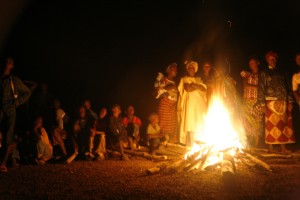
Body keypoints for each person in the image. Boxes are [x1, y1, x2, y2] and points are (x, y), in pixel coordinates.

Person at [257, 51, 295, 153]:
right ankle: (271, 149)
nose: (272, 60)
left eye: (274, 58)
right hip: (270, 102)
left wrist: (290, 101)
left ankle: (283, 148)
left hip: (283, 100)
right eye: (270, 58)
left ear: (276, 59)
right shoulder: (264, 73)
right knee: (270, 126)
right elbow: (260, 89)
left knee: (283, 124)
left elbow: (289, 87)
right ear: (267, 60)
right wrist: (261, 104)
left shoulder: (283, 72)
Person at [0, 58, 31, 172]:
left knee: (8, 137)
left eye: (10, 61)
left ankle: (3, 163)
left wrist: (16, 103)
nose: (7, 62)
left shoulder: (14, 80)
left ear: (12, 66)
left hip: (10, 112)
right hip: (1, 111)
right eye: (6, 60)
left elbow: (27, 92)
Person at [177, 60, 207, 146]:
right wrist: (197, 86)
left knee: (198, 123)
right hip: (189, 104)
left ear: (195, 69)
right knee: (189, 123)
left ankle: (199, 146)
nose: (191, 69)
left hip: (199, 105)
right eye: (189, 68)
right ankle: (189, 146)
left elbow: (204, 89)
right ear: (187, 69)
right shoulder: (184, 79)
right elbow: (187, 89)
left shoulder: (199, 79)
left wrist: (193, 85)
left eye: (192, 68)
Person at [240, 57, 263, 148]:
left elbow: (262, 87)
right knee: (247, 121)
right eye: (250, 63)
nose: (251, 65)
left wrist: (252, 86)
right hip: (247, 100)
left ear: (258, 63)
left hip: (257, 100)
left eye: (253, 63)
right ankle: (249, 143)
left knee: (257, 121)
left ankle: (257, 144)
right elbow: (245, 86)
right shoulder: (247, 75)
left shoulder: (262, 75)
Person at [154, 63, 178, 144]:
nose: (175, 71)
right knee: (163, 125)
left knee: (172, 125)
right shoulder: (162, 79)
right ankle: (160, 143)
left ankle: (170, 144)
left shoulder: (175, 82)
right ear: (168, 70)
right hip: (165, 105)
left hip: (172, 107)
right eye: (173, 69)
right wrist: (168, 88)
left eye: (176, 69)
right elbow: (156, 90)